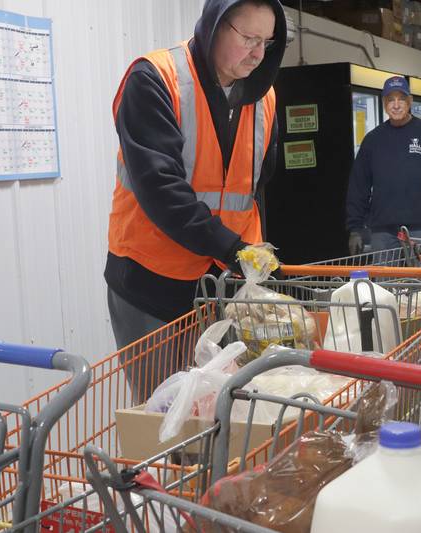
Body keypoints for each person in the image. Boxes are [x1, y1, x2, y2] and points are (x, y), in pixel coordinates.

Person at [104, 0, 286, 401]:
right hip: (150, 280)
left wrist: (255, 256)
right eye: (249, 39)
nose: (258, 53)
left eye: (267, 43)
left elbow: (256, 189)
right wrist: (233, 248)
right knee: (163, 412)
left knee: (222, 409)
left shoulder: (265, 97)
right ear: (215, 26)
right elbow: (161, 188)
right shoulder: (154, 79)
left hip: (220, 285)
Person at [345, 76, 421, 256]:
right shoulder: (373, 140)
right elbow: (359, 187)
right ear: (384, 103)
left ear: (410, 101)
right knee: (385, 284)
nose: (396, 105)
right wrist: (355, 228)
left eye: (401, 99)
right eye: (391, 100)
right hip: (382, 232)